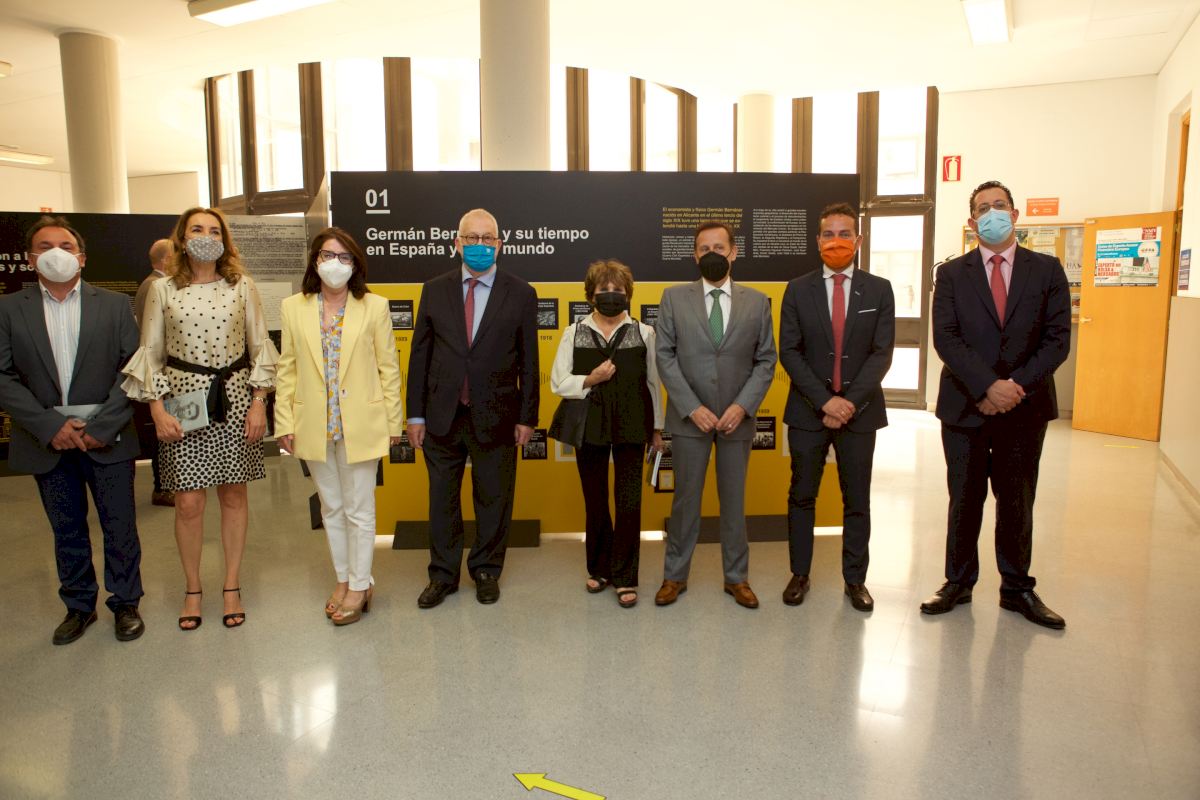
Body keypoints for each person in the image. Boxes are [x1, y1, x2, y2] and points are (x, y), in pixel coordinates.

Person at [920, 180, 1071, 629]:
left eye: (999, 205)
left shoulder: (1047, 270)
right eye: (983, 208)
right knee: (964, 498)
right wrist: (987, 387)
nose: (992, 213)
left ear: (1015, 214)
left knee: (1017, 500)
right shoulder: (951, 274)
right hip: (965, 407)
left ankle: (1017, 588)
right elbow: (946, 338)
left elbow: (1056, 340)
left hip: (1025, 408)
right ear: (972, 222)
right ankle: (958, 582)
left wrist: (1012, 388)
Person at [122, 207, 278, 631]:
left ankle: (231, 585)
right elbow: (150, 353)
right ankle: (193, 588)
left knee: (234, 495)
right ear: (182, 237)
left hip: (236, 396)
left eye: (214, 230)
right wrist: (157, 409)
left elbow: (260, 345)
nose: (206, 236)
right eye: (197, 229)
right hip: (184, 398)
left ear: (224, 240)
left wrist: (259, 403)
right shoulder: (163, 289)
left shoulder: (242, 285)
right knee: (188, 502)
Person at [0, 215, 145, 644]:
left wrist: (103, 424)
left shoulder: (114, 305)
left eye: (65, 246)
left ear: (82, 257)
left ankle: (125, 602)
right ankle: (79, 605)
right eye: (45, 246)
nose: (56, 254)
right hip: (47, 440)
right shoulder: (9, 309)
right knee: (66, 528)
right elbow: (3, 375)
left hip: (108, 436)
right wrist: (50, 426)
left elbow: (134, 368)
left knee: (120, 525)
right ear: (30, 259)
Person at [406, 208, 539, 608]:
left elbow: (529, 361)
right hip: (442, 414)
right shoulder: (434, 290)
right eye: (471, 238)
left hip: (497, 413)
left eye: (487, 238)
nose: (480, 245)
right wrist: (415, 414)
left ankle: (486, 570)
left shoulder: (521, 293)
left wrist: (527, 417)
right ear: (457, 242)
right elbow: (420, 356)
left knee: (494, 498)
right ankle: (442, 575)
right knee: (442, 499)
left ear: (499, 244)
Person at [274, 227, 403, 626]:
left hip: (361, 422)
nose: (335, 264)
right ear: (315, 260)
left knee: (360, 509)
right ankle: (344, 579)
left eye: (344, 257)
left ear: (355, 265)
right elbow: (287, 368)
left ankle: (361, 585)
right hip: (313, 423)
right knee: (331, 507)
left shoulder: (374, 306)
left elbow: (388, 368)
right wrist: (284, 420)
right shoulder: (293, 307)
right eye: (328, 255)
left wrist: (393, 421)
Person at [778, 203, 895, 611]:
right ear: (818, 241)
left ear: (858, 240)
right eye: (829, 234)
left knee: (856, 499)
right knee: (801, 495)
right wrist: (825, 401)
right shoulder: (798, 289)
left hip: (861, 413)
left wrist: (848, 403)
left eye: (845, 234)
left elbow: (882, 353)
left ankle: (855, 580)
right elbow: (790, 352)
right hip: (808, 411)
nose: (836, 241)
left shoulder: (879, 289)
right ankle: (800, 574)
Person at [654, 220, 777, 609]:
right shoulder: (674, 298)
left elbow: (766, 360)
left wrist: (742, 406)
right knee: (685, 501)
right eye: (704, 248)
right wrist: (693, 408)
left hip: (737, 421)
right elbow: (664, 356)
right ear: (695, 255)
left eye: (719, 248)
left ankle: (737, 578)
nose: (712, 254)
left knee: (734, 502)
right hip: (690, 421)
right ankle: (675, 576)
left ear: (733, 252)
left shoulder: (757, 302)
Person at [551, 260, 665, 608]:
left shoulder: (645, 333)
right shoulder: (573, 332)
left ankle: (625, 575)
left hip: (633, 423)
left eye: (618, 290)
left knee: (629, 501)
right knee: (596, 498)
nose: (611, 295)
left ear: (628, 294)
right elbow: (558, 382)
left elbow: (653, 384)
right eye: (604, 290)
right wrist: (591, 379)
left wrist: (657, 429)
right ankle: (599, 568)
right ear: (591, 295)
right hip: (591, 425)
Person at [133, 238, 175, 507]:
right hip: (162, 372)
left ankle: (167, 484)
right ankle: (163, 487)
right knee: (164, 430)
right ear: (166, 259)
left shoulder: (153, 284)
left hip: (163, 370)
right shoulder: (154, 286)